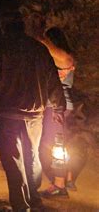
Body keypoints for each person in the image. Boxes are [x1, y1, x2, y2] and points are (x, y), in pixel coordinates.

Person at [0, 11, 65, 211]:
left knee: (13, 160)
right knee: (32, 154)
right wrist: (59, 105)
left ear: (4, 27)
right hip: (34, 114)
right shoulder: (38, 49)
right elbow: (52, 79)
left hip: (6, 113)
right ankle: (34, 197)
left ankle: (21, 205)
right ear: (22, 27)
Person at [35, 27, 77, 197]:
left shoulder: (65, 59)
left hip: (57, 107)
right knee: (59, 144)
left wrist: (41, 39)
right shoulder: (58, 59)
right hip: (58, 106)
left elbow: (66, 60)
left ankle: (59, 185)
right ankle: (66, 177)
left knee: (54, 146)